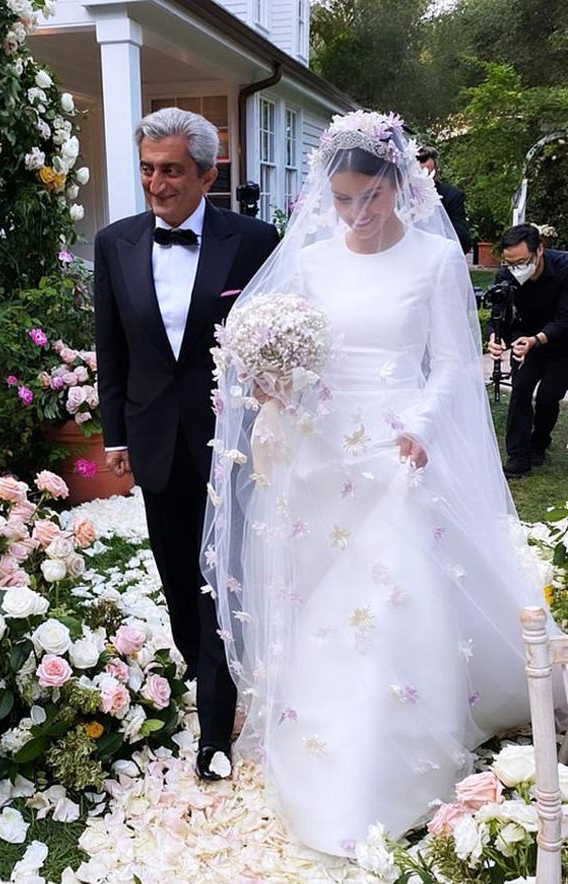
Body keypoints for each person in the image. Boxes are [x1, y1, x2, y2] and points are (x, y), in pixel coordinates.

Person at [202, 111, 545, 853]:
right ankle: (319, 731)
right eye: (344, 199)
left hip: (395, 448)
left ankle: (380, 761)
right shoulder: (317, 260)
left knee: (387, 596)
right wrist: (273, 380)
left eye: (370, 198)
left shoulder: (434, 259)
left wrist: (420, 425)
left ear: (399, 185)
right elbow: (297, 351)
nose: (356, 214)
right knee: (319, 587)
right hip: (319, 447)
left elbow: (453, 362)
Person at [94, 107, 279, 780]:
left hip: (231, 441)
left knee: (218, 577)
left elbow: (277, 338)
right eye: (147, 168)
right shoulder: (114, 243)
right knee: (177, 575)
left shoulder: (255, 240)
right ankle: (204, 663)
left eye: (172, 170)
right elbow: (110, 350)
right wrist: (116, 436)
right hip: (153, 435)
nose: (157, 183)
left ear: (207, 173)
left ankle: (216, 722)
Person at [487, 223, 568, 478]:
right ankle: (517, 456)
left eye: (522, 261)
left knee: (548, 396)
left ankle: (539, 442)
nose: (516, 269)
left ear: (540, 250)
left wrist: (537, 339)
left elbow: (565, 319)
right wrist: (495, 338)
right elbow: (497, 315)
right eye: (510, 263)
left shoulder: (565, 268)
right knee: (520, 390)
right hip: (525, 337)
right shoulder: (506, 275)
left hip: (561, 341)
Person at [417, 145, 471, 254]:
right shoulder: (395, 194)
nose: (420, 166)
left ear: (435, 167)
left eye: (423, 160)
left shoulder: (452, 196)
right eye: (416, 160)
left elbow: (463, 241)